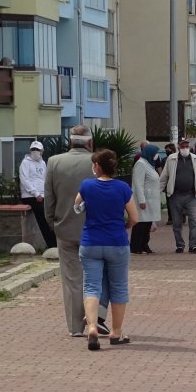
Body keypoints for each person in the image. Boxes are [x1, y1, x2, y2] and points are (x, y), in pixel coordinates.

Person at [44, 125, 109, 337]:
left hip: (65, 229)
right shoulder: (96, 163)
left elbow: (49, 200)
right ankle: (95, 319)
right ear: (90, 143)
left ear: (70, 142)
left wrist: (54, 223)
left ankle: (75, 327)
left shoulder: (54, 162)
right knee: (97, 277)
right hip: (96, 230)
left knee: (72, 280)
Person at [74, 149, 137, 351]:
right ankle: (116, 332)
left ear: (97, 166)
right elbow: (134, 217)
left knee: (91, 286)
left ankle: (92, 326)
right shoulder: (123, 188)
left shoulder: (87, 185)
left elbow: (76, 206)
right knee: (118, 287)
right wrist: (125, 226)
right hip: (117, 242)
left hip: (91, 241)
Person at [159, 139, 196, 254]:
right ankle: (180, 245)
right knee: (177, 222)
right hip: (175, 196)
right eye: (182, 146)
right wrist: (156, 193)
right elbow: (163, 178)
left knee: (194, 220)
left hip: (191, 195)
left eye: (186, 146)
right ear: (178, 147)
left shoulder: (195, 159)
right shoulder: (171, 159)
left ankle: (193, 245)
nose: (185, 148)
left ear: (190, 147)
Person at [19, 140, 56, 249]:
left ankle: (54, 243)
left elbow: (45, 179)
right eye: (33, 149)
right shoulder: (25, 162)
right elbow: (24, 179)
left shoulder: (42, 163)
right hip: (30, 196)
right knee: (43, 218)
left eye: (37, 150)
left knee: (49, 216)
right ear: (30, 151)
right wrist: (36, 194)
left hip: (42, 195)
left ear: (42, 151)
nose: (35, 151)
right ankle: (52, 244)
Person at [130, 145, 161, 255]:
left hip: (151, 200)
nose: (157, 155)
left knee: (147, 224)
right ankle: (135, 246)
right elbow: (138, 184)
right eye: (156, 153)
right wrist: (141, 200)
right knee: (141, 224)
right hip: (144, 200)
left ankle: (144, 244)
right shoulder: (140, 164)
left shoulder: (149, 164)